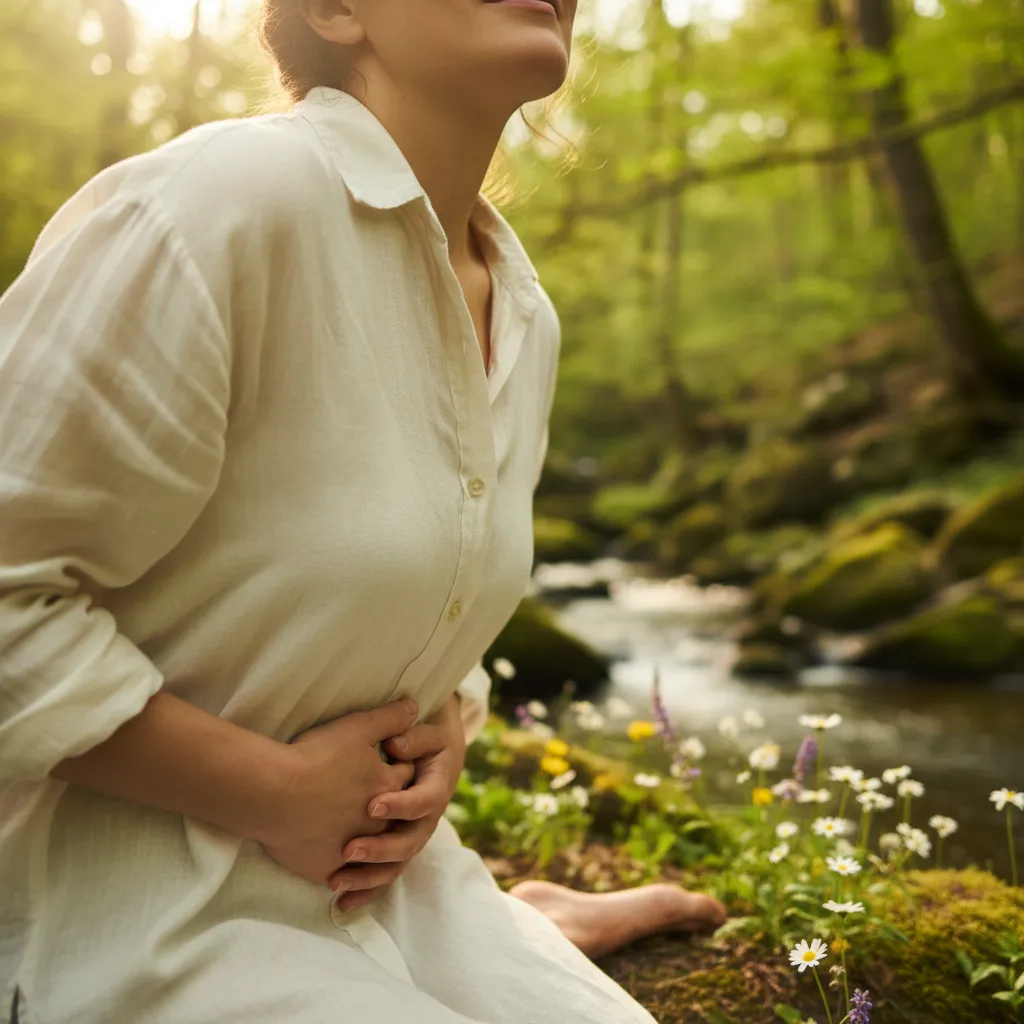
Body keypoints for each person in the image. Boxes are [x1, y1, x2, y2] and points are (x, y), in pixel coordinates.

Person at [0, 1, 725, 1021]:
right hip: (111, 927)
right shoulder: (214, 207)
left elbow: (437, 594)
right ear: (337, 10)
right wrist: (269, 791)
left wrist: (445, 741)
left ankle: (524, 921)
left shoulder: (521, 307)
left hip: (391, 896)